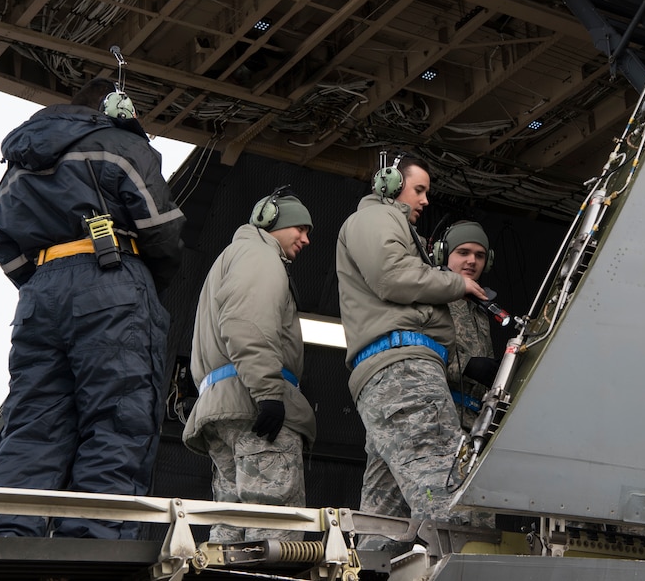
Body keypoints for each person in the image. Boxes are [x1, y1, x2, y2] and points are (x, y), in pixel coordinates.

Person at [0, 76, 185, 539]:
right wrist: (138, 281)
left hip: (38, 297)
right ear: (114, 108)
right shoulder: (122, 145)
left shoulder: (19, 165)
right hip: (112, 285)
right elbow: (163, 231)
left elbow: (3, 246)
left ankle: (4, 537)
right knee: (119, 417)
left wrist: (44, 283)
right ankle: (93, 545)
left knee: (33, 423)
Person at [336, 155, 488, 539]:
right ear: (388, 183)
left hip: (390, 377)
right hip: (406, 373)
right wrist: (456, 284)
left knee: (384, 517)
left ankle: (372, 563)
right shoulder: (378, 218)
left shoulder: (388, 226)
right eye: (418, 190)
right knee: (445, 487)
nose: (424, 200)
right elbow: (392, 276)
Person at [182, 187, 318, 543]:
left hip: (224, 408)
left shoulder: (233, 257)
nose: (306, 239)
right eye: (300, 228)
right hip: (254, 407)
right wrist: (269, 393)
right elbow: (246, 324)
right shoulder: (260, 256)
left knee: (231, 527)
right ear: (270, 221)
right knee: (274, 530)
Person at [434, 221, 499, 432]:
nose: (472, 261)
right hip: (436, 419)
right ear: (443, 254)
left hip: (472, 426)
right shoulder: (429, 295)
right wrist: (465, 366)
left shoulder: (481, 309)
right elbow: (413, 354)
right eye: (463, 252)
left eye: (480, 255)